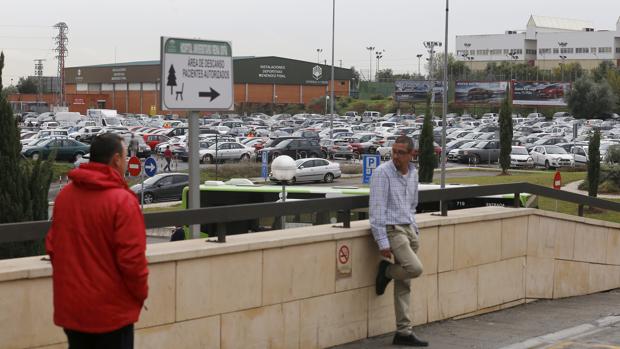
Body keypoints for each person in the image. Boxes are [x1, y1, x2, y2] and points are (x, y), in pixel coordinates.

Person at [46, 133, 149, 349]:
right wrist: (140, 295)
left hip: (73, 310)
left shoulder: (64, 197)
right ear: (116, 160)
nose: (127, 161)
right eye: (125, 156)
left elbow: (53, 248)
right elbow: (132, 261)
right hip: (111, 314)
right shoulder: (122, 202)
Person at [370, 135, 428, 347]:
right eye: (394, 151)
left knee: (405, 284)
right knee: (415, 269)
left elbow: (412, 205)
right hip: (393, 230)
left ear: (412, 154)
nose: (395, 156)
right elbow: (376, 211)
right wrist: (382, 242)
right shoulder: (382, 173)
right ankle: (386, 271)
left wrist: (414, 228)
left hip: (409, 229)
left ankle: (403, 332)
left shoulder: (413, 174)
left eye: (401, 153)